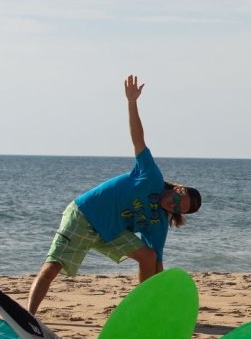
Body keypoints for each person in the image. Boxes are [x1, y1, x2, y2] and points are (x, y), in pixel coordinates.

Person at [27, 76, 201, 314]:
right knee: (53, 267)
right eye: (179, 198)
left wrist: (161, 299)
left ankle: (144, 306)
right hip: (85, 215)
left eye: (178, 209)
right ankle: (29, 316)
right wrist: (132, 102)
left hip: (111, 233)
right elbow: (138, 138)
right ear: (178, 189)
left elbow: (157, 265)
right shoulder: (150, 176)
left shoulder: (158, 222)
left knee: (148, 257)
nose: (174, 204)